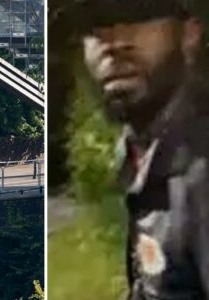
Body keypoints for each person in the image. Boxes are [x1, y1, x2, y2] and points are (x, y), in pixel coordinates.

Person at [70, 0, 209, 298]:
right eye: (96, 24)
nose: (115, 41)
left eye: (139, 14)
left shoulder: (201, 172)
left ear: (190, 33)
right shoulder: (143, 150)